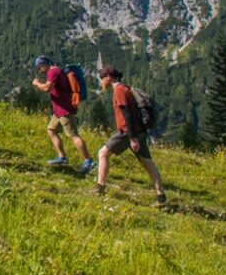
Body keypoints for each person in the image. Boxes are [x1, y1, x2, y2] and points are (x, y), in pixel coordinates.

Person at [94, 65, 167, 206]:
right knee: (148, 163)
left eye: (102, 78)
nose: (101, 82)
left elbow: (126, 114)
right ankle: (161, 196)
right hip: (140, 131)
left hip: (127, 133)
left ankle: (100, 188)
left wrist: (132, 139)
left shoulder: (119, 91)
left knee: (102, 154)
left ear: (109, 77)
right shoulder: (126, 88)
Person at [32, 55, 96, 174]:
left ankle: (89, 160)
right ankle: (62, 157)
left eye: (39, 68)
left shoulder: (53, 71)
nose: (40, 71)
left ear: (44, 64)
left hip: (64, 109)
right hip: (59, 110)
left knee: (73, 135)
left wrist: (37, 83)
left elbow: (47, 88)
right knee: (51, 130)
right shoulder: (56, 71)